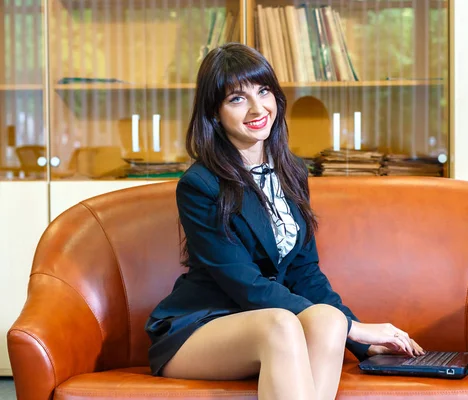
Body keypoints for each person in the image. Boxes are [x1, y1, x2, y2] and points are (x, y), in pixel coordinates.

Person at [145, 43, 424, 400]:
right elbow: (244, 283)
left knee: (328, 320)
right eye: (236, 99)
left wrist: (355, 339)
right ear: (214, 113)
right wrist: (361, 329)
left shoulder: (292, 172)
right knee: (280, 324)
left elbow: (305, 272)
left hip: (271, 324)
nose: (257, 108)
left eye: (263, 91)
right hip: (200, 327)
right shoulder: (200, 185)